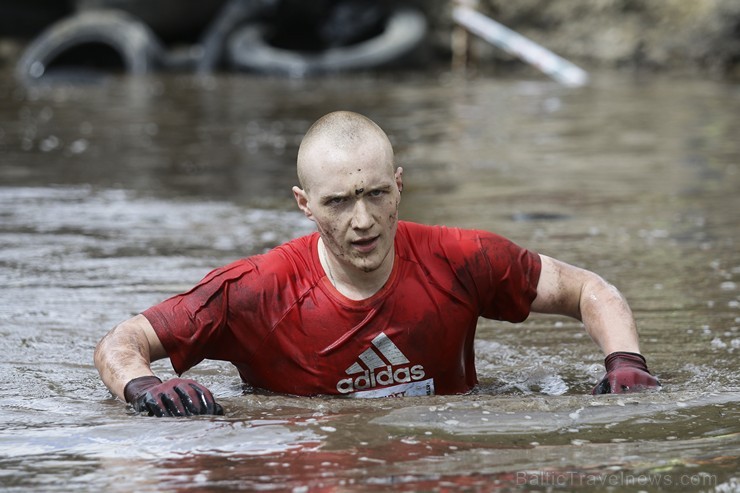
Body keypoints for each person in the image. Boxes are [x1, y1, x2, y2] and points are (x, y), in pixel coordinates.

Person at [94, 110, 660, 417]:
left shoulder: (462, 257)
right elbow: (120, 343)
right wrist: (142, 385)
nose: (362, 221)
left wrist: (626, 361)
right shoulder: (257, 289)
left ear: (399, 185)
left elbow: (589, 289)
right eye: (338, 202)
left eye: (376, 195)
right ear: (304, 204)